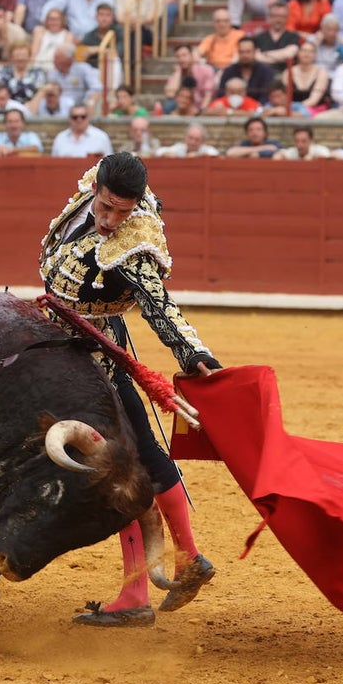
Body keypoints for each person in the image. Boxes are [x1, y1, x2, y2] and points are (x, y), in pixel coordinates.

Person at [40, 153, 220, 628]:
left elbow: (161, 308)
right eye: (105, 207)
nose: (110, 220)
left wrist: (193, 354)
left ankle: (149, 584)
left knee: (123, 463)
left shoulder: (135, 246)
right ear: (95, 189)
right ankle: (182, 561)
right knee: (136, 453)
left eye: (122, 212)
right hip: (72, 342)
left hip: (91, 358)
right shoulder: (94, 185)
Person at [215, 37, 277, 105]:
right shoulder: (229, 71)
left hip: (259, 108)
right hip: (231, 108)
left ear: (255, 51)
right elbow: (221, 94)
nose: (245, 55)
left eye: (248, 52)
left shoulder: (266, 71)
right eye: (242, 52)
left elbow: (267, 95)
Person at [47, 44, 103, 109]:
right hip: (58, 108)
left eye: (57, 58)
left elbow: (96, 87)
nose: (54, 60)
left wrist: (87, 101)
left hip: (80, 107)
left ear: (69, 58)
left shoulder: (83, 69)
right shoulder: (52, 73)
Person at [254, 1, 302, 71]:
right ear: (269, 17)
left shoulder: (293, 37)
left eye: (282, 16)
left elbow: (289, 54)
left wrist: (265, 54)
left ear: (287, 17)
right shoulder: (259, 38)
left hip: (285, 74)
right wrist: (281, 55)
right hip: (263, 75)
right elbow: (255, 57)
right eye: (275, 16)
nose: (278, 20)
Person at [156, 122, 221, 157]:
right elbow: (158, 151)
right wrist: (166, 154)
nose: (192, 142)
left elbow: (215, 154)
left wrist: (198, 155)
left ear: (202, 141)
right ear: (185, 137)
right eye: (190, 138)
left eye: (197, 140)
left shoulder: (205, 149)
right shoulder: (180, 147)